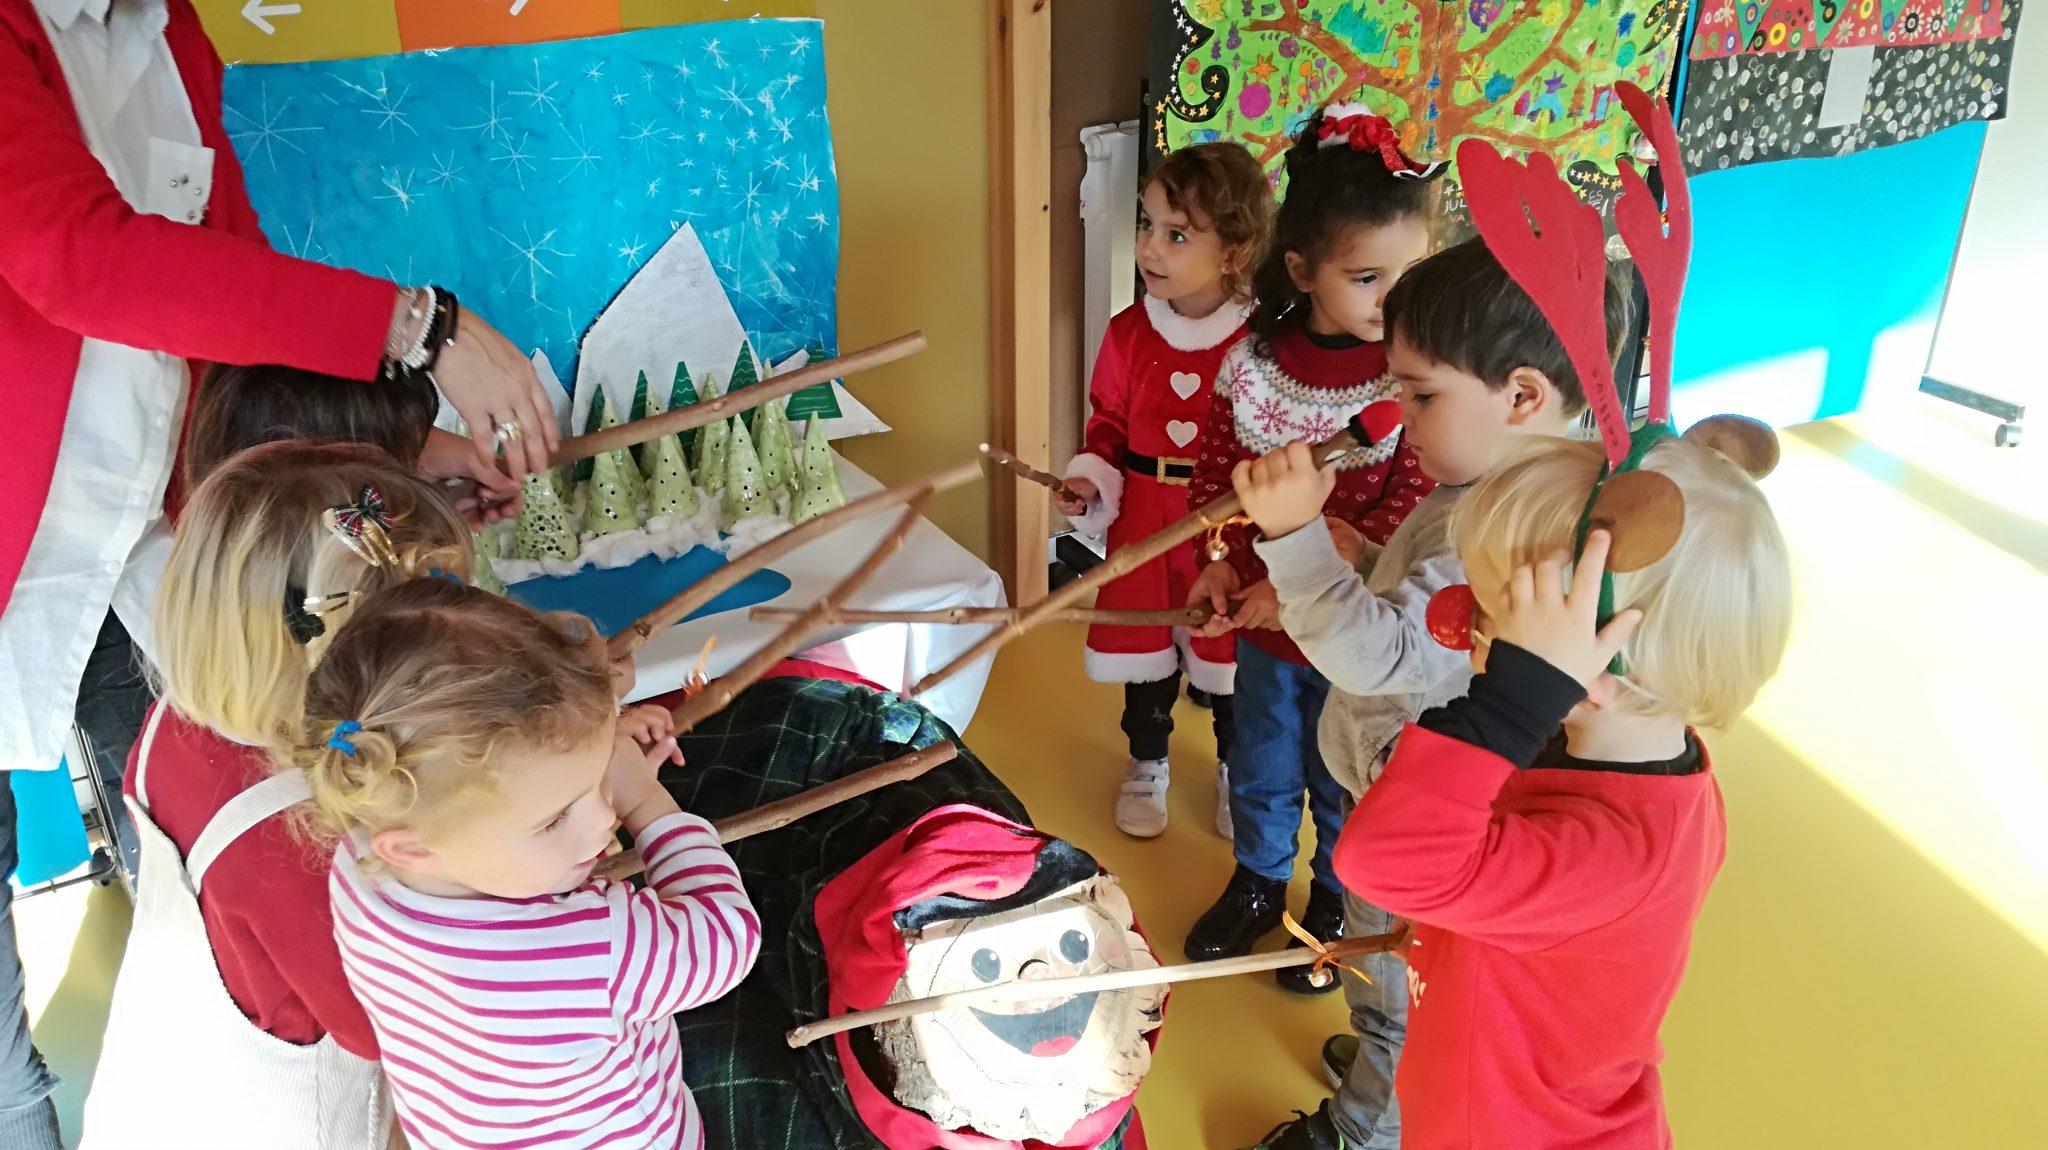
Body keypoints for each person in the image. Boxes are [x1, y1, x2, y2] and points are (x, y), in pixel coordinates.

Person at [0, 3, 549, 1136]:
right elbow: (76, 255)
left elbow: (221, 291)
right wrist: (418, 327)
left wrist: (384, 459)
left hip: (142, 545)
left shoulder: (167, 28)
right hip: (34, 541)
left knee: (203, 851)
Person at [1233, 237, 1628, 1149]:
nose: (1401, 420)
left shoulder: (1501, 518)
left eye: (1421, 395)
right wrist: (1363, 556)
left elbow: (1386, 659)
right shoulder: (1498, 491)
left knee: (1401, 997)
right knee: (1385, 977)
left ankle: (1367, 1124)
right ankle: (1383, 1072)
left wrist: (1293, 541)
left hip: (1422, 810)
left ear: (1522, 396)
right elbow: (1444, 628)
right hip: (1412, 787)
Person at [1336, 439, 1792, 1148]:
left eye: (1495, 618)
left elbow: (1379, 860)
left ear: (1584, 670)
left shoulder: (1612, 858)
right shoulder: (1665, 778)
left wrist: (1510, 704)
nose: (1463, 624)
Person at [79, 443, 475, 1148]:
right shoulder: (296, 836)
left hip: (164, 1077)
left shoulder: (180, 718)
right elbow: (380, 1030)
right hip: (290, 1119)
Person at [297, 577, 760, 1150]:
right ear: (413, 847)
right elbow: (727, 939)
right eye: (554, 819)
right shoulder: (595, 949)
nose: (604, 818)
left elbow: (505, 787)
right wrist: (647, 802)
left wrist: (587, 748)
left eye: (595, 784)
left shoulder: (365, 856)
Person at [1179, 106, 1438, 990]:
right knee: (1258, 765)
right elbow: (1215, 479)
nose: (1394, 301)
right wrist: (1220, 561)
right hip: (1262, 632)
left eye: (1411, 275)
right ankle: (1258, 883)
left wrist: (1309, 577)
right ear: (1301, 270)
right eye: (1368, 278)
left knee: (1340, 776)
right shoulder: (1249, 366)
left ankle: (1328, 905)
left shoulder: (1411, 379)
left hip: (1356, 636)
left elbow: (1409, 510)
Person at [1053, 141, 1273, 840]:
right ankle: (1147, 760)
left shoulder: (1262, 344)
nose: (1150, 246)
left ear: (1233, 251)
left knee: (1230, 656)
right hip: (1144, 522)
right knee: (1144, 652)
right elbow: (1109, 423)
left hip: (1230, 530)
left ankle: (1237, 770)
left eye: (1177, 234)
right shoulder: (1128, 333)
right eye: (1147, 224)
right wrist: (1089, 481)